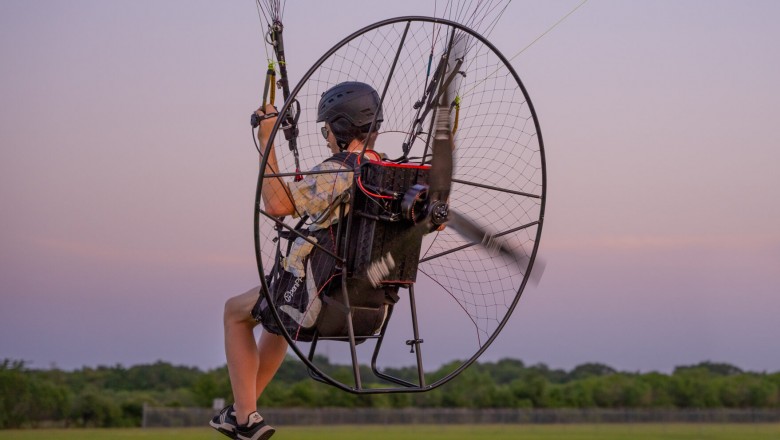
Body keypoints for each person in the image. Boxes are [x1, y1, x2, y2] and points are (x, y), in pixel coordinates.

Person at [209, 82, 383, 440]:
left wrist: (267, 139)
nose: (325, 139)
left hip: (319, 294)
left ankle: (245, 420)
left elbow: (276, 205)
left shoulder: (341, 171)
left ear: (339, 128)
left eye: (325, 130)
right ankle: (244, 408)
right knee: (275, 324)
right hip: (362, 298)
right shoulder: (390, 176)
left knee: (233, 312)